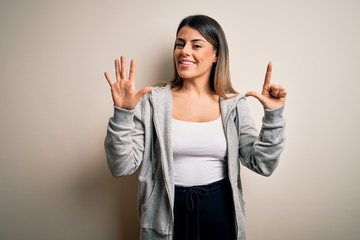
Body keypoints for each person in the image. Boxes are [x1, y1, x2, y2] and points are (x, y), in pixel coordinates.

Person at [104, 14, 286, 240]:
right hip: (166, 212)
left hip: (219, 209)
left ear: (216, 55)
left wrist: (274, 114)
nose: (184, 51)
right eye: (179, 44)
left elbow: (263, 164)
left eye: (196, 45)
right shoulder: (153, 101)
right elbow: (120, 166)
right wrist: (123, 113)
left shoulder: (233, 105)